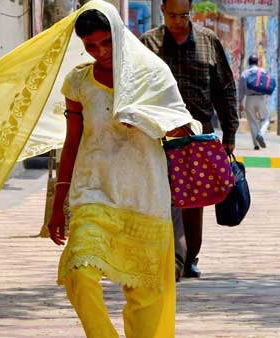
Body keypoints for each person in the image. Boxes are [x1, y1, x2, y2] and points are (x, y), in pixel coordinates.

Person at [48, 6, 200, 338]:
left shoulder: (152, 74)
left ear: (119, 35)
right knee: (79, 273)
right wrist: (58, 203)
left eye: (106, 42)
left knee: (146, 298)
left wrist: (144, 119)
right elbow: (71, 144)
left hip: (144, 197)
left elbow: (183, 129)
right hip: (93, 192)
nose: (100, 52)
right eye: (90, 45)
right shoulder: (78, 81)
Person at [140, 0, 239, 280]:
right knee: (162, 198)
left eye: (183, 15)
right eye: (172, 15)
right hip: (159, 135)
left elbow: (225, 87)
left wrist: (229, 133)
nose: (178, 21)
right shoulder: (149, 43)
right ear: (162, 10)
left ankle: (190, 256)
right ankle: (167, 256)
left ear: (191, 11)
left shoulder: (209, 42)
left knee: (194, 199)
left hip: (198, 135)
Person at [239, 55, 270, 150]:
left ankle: (256, 145)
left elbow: (241, 90)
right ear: (257, 62)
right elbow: (267, 85)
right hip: (260, 98)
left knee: (252, 121)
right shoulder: (263, 72)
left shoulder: (244, 74)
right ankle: (261, 133)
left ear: (249, 62)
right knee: (265, 119)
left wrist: (240, 102)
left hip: (249, 99)